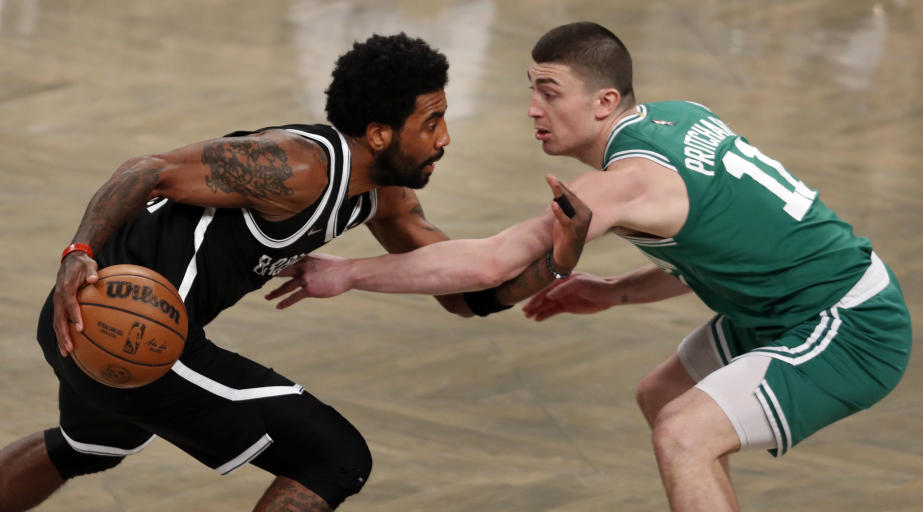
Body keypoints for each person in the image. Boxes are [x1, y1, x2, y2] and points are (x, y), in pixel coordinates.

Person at [266, 22, 912, 512]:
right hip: (779, 305)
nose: (533, 109)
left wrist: (349, 274)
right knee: (661, 397)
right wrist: (615, 292)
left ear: (604, 102)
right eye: (532, 91)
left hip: (849, 325)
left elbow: (490, 262)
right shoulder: (681, 118)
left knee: (685, 434)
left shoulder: (624, 184)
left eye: (550, 93)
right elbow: (728, 244)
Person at [0, 32, 590, 512]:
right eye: (431, 122)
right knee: (334, 457)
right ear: (381, 134)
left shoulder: (383, 197)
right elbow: (147, 169)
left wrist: (557, 261)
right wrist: (78, 252)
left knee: (89, 447)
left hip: (88, 334)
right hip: (132, 333)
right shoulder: (296, 166)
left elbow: (464, 295)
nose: (445, 138)